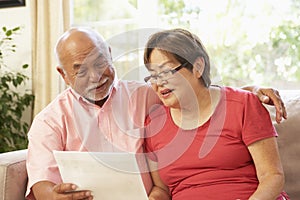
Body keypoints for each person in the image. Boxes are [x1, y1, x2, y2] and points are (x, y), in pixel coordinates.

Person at [25, 27, 287, 200]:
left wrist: (252, 91)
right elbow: (41, 184)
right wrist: (55, 195)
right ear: (64, 75)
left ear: (110, 55)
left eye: (101, 63)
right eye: (81, 70)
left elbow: (200, 93)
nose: (96, 76)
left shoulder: (145, 96)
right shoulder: (50, 121)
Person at [143, 28, 290, 200]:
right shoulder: (154, 124)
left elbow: (272, 176)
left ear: (197, 66)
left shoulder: (244, 104)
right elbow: (161, 189)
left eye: (167, 72)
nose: (159, 83)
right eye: (153, 76)